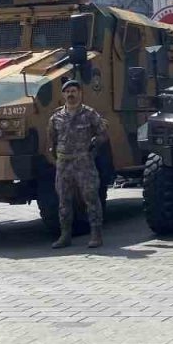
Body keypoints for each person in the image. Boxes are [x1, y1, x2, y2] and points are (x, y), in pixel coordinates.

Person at [47, 80, 109, 248]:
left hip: (84, 163)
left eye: (73, 91)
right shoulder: (56, 117)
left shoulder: (89, 114)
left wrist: (94, 146)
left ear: (80, 93)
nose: (71, 95)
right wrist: (57, 156)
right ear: (63, 95)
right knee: (64, 201)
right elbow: (52, 139)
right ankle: (65, 235)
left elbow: (103, 134)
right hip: (64, 164)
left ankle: (96, 235)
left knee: (91, 198)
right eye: (67, 92)